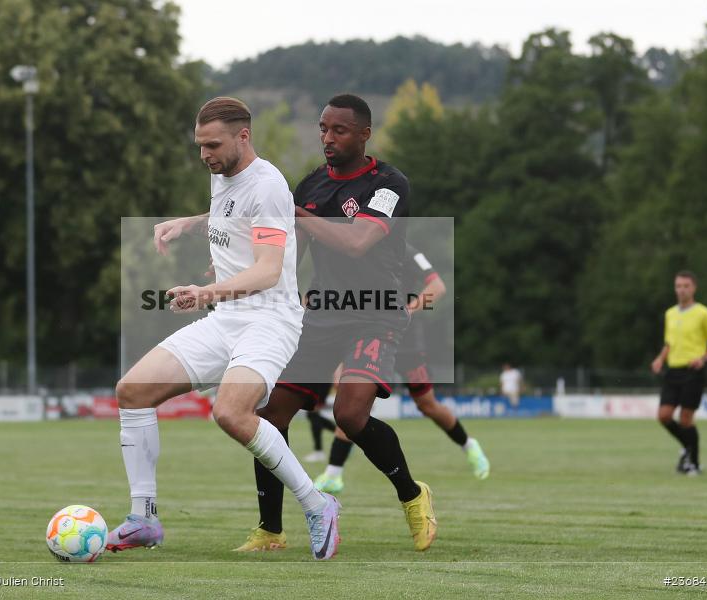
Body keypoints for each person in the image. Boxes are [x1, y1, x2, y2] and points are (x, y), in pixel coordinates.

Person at [107, 97, 340, 560]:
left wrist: (207, 292)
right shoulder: (221, 173)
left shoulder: (270, 186)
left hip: (269, 319)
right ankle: (144, 519)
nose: (204, 155)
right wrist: (188, 224)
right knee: (132, 391)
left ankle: (319, 505)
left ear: (243, 136)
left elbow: (269, 270)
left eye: (212, 145)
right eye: (199, 146)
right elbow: (231, 217)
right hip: (226, 319)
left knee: (231, 413)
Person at [234, 94, 436, 554]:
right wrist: (239, 278)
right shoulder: (308, 186)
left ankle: (412, 495)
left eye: (339, 130)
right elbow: (289, 258)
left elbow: (358, 241)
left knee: (349, 415)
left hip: (377, 312)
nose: (327, 137)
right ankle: (271, 531)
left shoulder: (389, 183)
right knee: (270, 415)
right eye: (323, 128)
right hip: (322, 314)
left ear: (364, 134)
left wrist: (297, 213)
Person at [314, 243, 490, 495]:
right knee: (352, 403)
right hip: (368, 335)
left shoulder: (406, 250)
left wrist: (406, 311)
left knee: (426, 405)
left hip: (405, 341)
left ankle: (469, 445)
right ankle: (333, 474)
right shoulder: (355, 246)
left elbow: (437, 287)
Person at [651, 271, 707, 475]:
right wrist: (660, 358)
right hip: (673, 370)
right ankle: (687, 447)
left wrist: (703, 359)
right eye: (678, 286)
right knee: (664, 415)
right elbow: (669, 342)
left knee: (685, 419)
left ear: (694, 288)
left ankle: (694, 463)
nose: (681, 290)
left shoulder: (703, 313)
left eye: (685, 286)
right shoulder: (670, 314)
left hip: (693, 371)